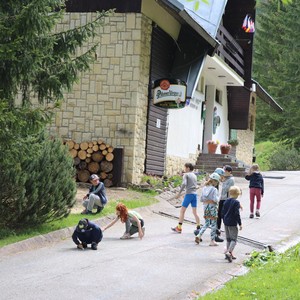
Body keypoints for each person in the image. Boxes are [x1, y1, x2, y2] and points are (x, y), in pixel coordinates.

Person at [171, 163, 200, 234]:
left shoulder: (186, 175)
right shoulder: (194, 175)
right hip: (194, 194)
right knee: (195, 212)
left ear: (188, 168)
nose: (184, 169)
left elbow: (184, 184)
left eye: (185, 167)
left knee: (182, 211)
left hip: (189, 194)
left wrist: (179, 193)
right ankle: (198, 227)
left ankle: (179, 228)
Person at [195, 173, 220, 246]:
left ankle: (199, 235)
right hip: (212, 207)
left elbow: (201, 199)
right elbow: (215, 199)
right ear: (215, 182)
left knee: (206, 223)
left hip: (205, 206)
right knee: (213, 224)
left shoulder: (204, 188)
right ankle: (212, 240)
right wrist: (218, 199)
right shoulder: (214, 189)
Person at [221, 186, 242, 262]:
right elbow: (237, 214)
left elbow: (222, 212)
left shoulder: (226, 201)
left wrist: (224, 220)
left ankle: (229, 254)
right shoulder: (236, 202)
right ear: (237, 194)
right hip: (232, 223)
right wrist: (240, 223)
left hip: (226, 222)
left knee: (228, 239)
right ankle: (229, 252)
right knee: (234, 239)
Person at [216, 165, 235, 238]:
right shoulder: (225, 179)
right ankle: (217, 229)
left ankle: (228, 231)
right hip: (222, 198)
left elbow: (227, 188)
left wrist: (223, 180)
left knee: (225, 215)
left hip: (227, 199)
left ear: (229, 172)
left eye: (225, 171)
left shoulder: (231, 179)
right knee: (219, 215)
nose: (224, 172)